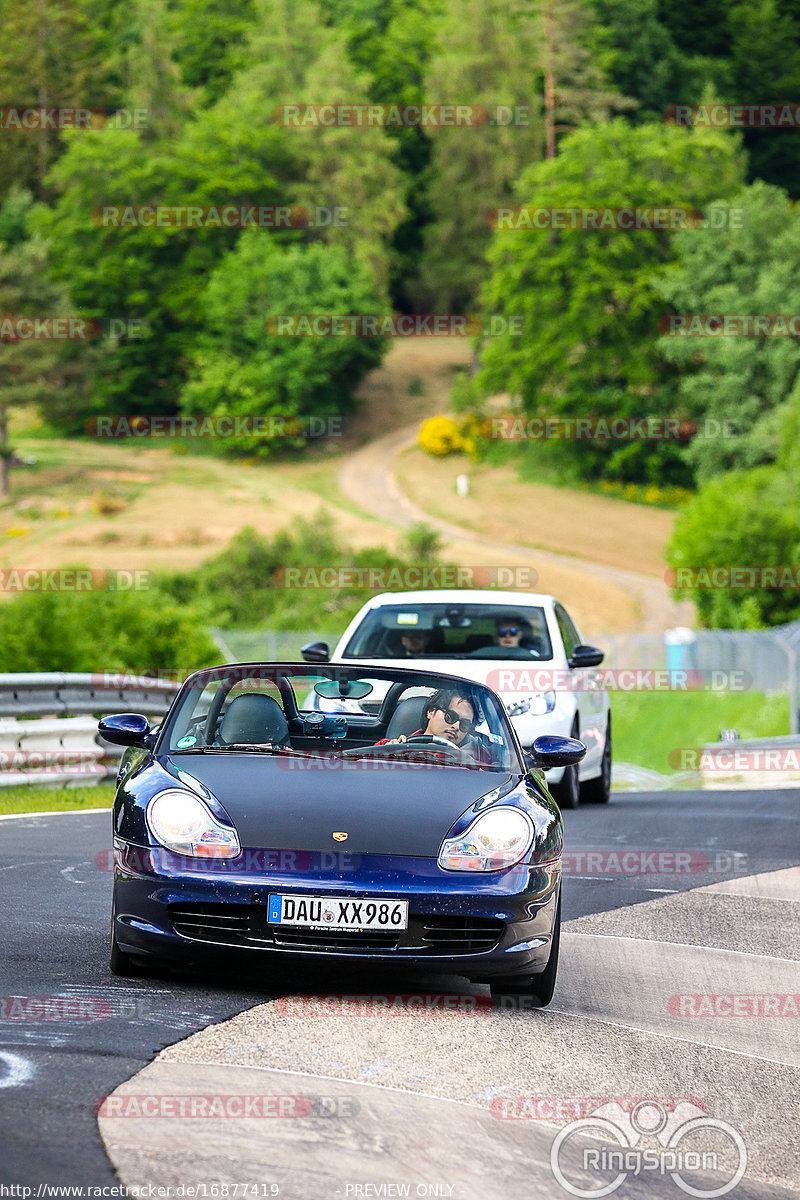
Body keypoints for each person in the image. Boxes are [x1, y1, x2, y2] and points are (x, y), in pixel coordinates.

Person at [375, 688, 492, 763]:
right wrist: (387, 754)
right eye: (450, 716)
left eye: (464, 725)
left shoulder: (475, 758)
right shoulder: (389, 747)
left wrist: (471, 764)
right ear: (430, 711)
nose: (456, 726)